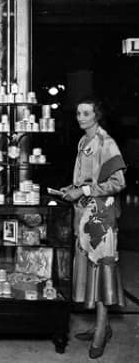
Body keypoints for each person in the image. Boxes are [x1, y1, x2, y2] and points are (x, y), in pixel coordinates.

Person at [59, 97, 126, 359]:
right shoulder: (83, 141)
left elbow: (117, 182)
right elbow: (86, 179)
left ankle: (100, 330)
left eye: (86, 113)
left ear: (96, 115)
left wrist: (84, 190)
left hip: (102, 217)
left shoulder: (105, 142)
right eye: (77, 113)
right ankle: (102, 324)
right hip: (85, 215)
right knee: (90, 267)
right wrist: (73, 190)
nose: (80, 117)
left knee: (101, 268)